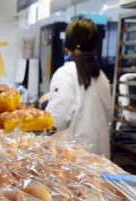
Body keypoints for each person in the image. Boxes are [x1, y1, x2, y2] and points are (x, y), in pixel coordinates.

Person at [45, 17, 110, 157]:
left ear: (66, 45)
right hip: (101, 157)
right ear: (95, 46)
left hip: (75, 159)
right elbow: (107, 115)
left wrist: (45, 102)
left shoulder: (65, 74)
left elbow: (56, 121)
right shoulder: (102, 76)